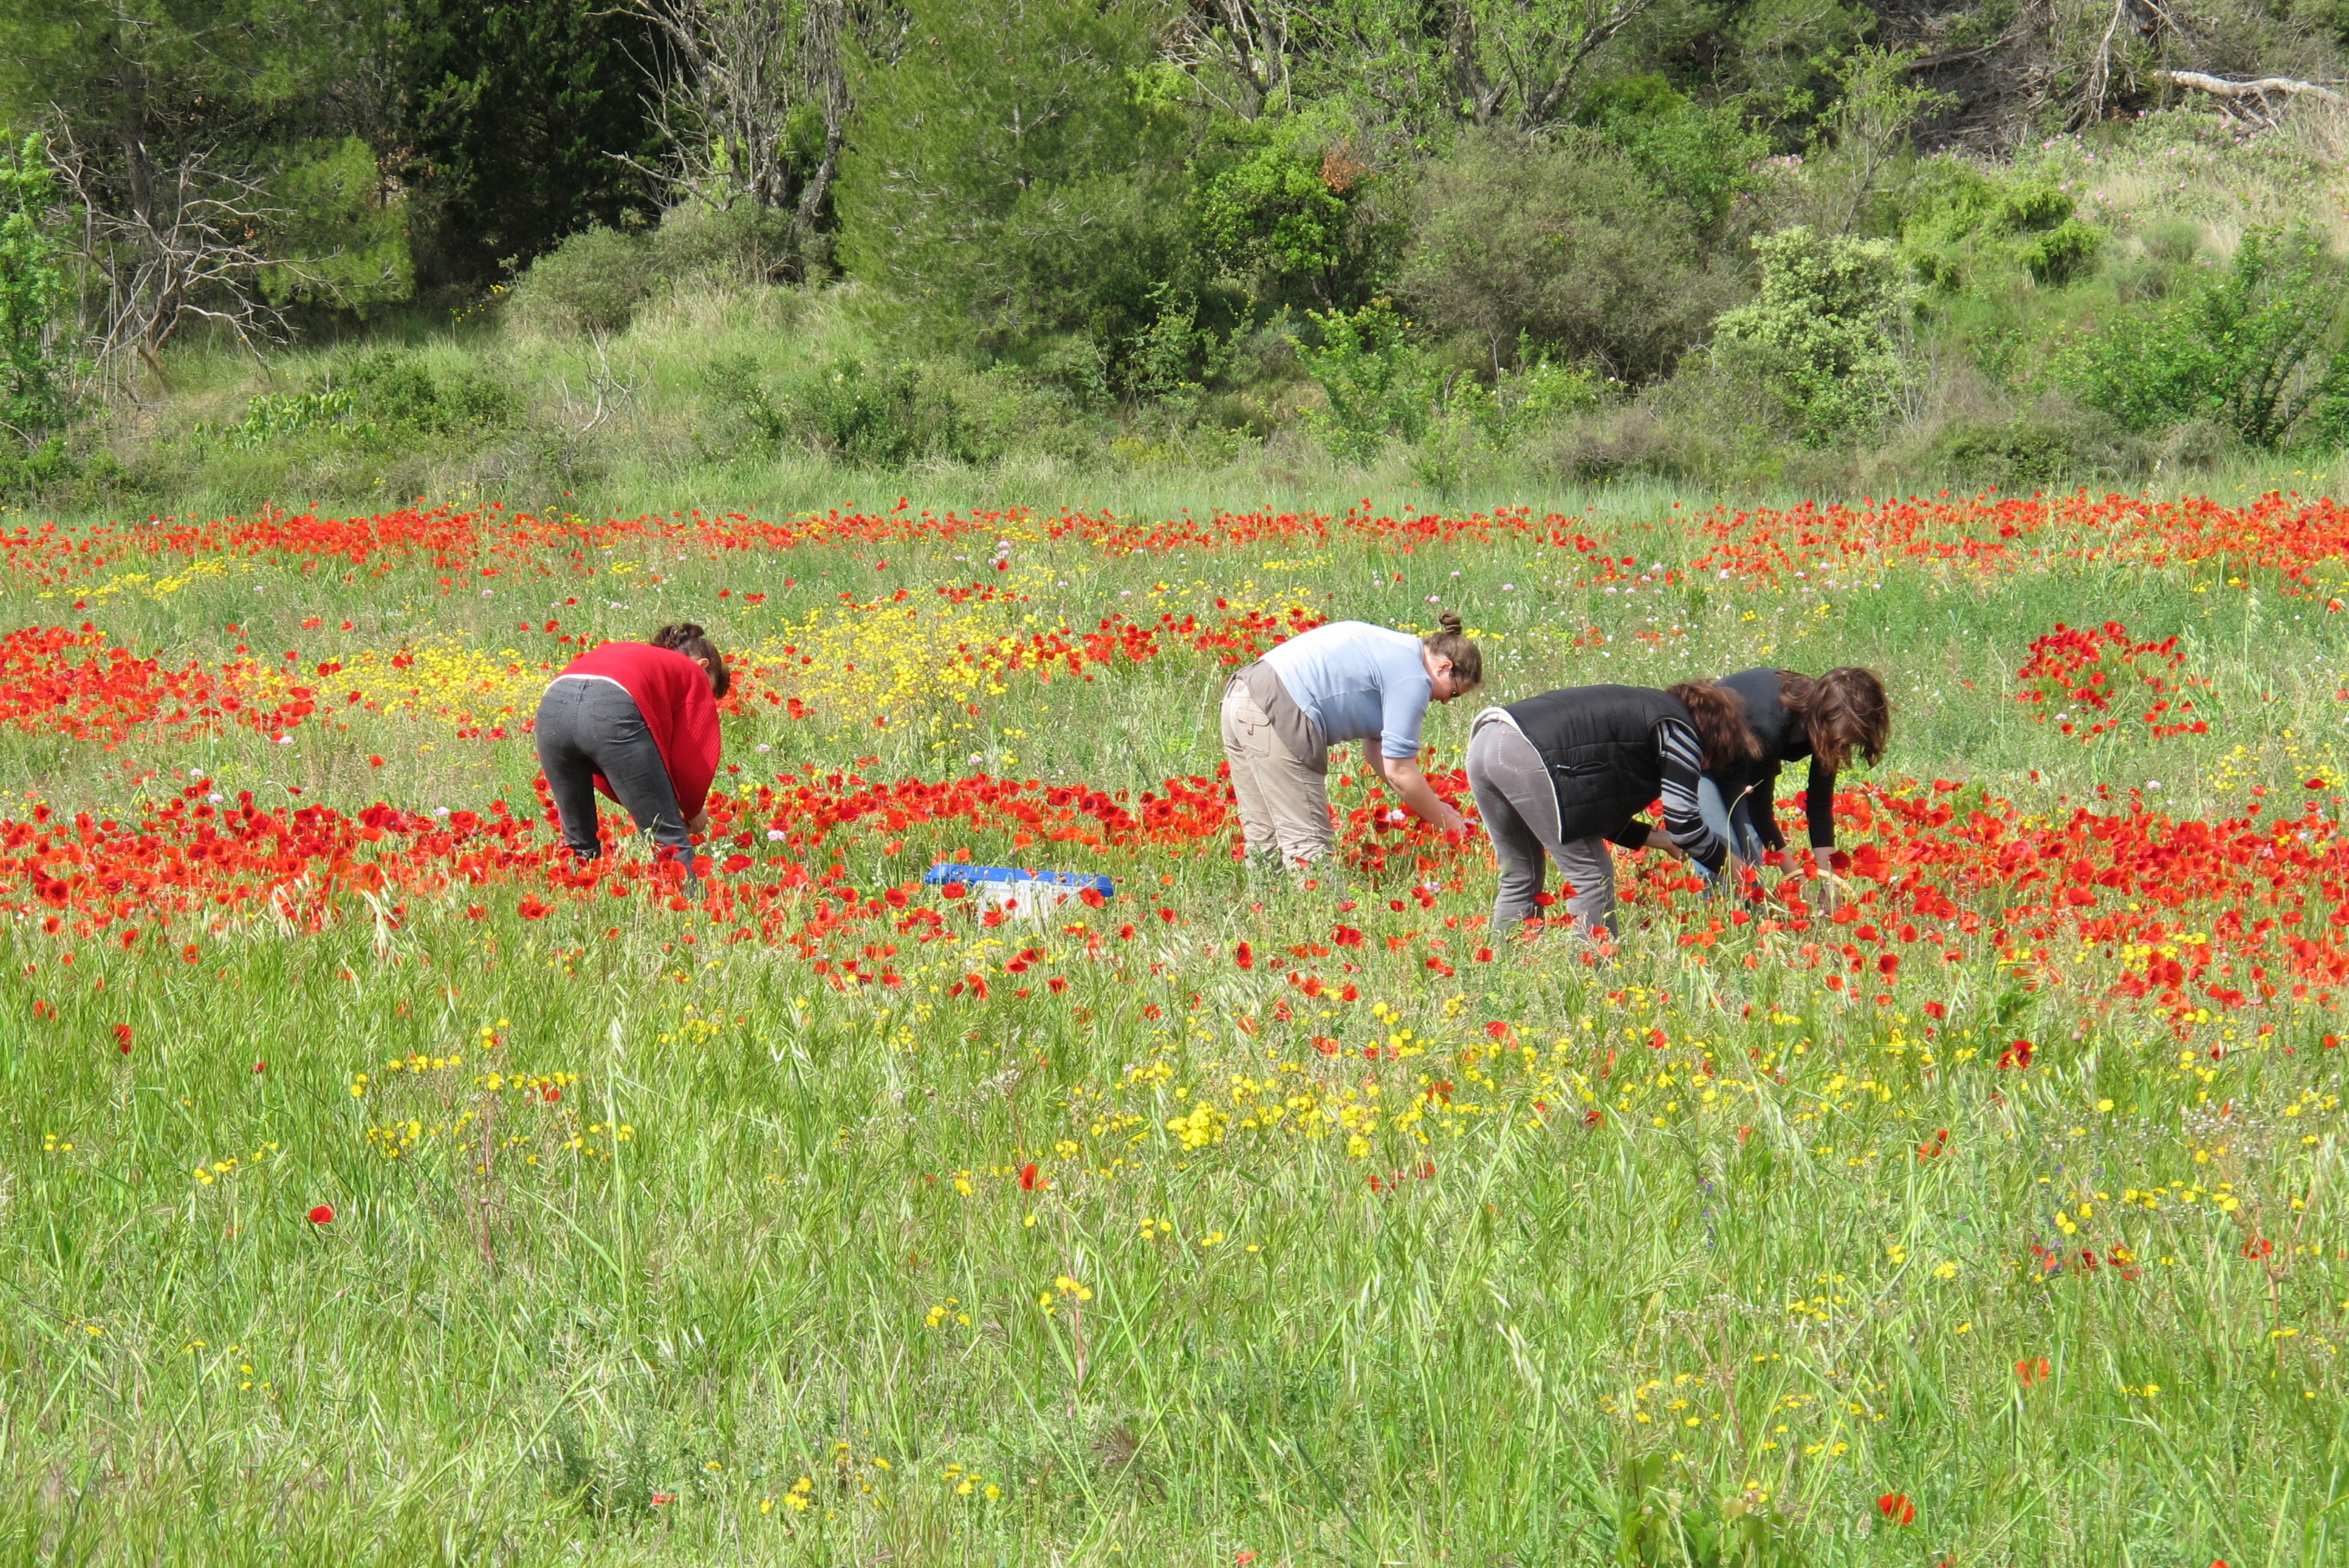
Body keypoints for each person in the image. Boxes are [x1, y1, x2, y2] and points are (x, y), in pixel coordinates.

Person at [1464, 681, 1759, 937]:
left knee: (1520, 873)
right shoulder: (1679, 728)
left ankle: (1508, 972)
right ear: (1716, 735)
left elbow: (1587, 806)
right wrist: (1735, 869)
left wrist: (1656, 837)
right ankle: (1590, 975)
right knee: (1592, 875)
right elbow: (1684, 823)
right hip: (1527, 751)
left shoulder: (1642, 712)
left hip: (1487, 739)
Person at [1221, 611, 1481, 868]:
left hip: (1242, 694)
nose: (1446, 701)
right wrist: (1449, 825)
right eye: (1454, 692)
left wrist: (1435, 806)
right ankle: (1322, 910)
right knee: (1307, 842)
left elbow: (1377, 751)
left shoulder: (1393, 648)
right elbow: (1399, 770)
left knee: (1263, 835)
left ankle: (1267, 906)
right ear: (1444, 667)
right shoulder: (1413, 677)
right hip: (1280, 709)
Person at [535, 622, 728, 869]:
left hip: (553, 703)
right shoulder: (691, 672)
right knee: (668, 837)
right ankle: (693, 903)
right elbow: (690, 754)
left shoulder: (642, 659)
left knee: (579, 842)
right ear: (703, 666)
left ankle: (579, 904)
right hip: (611, 707)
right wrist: (692, 809)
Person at [1700, 667, 1891, 876]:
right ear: (1827, 717)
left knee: (1750, 869)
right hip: (1698, 754)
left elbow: (1819, 804)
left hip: (1739, 760)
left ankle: (1749, 908)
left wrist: (1828, 881)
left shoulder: (1828, 724)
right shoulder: (1772, 723)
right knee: (1722, 860)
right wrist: (1796, 878)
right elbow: (1760, 812)